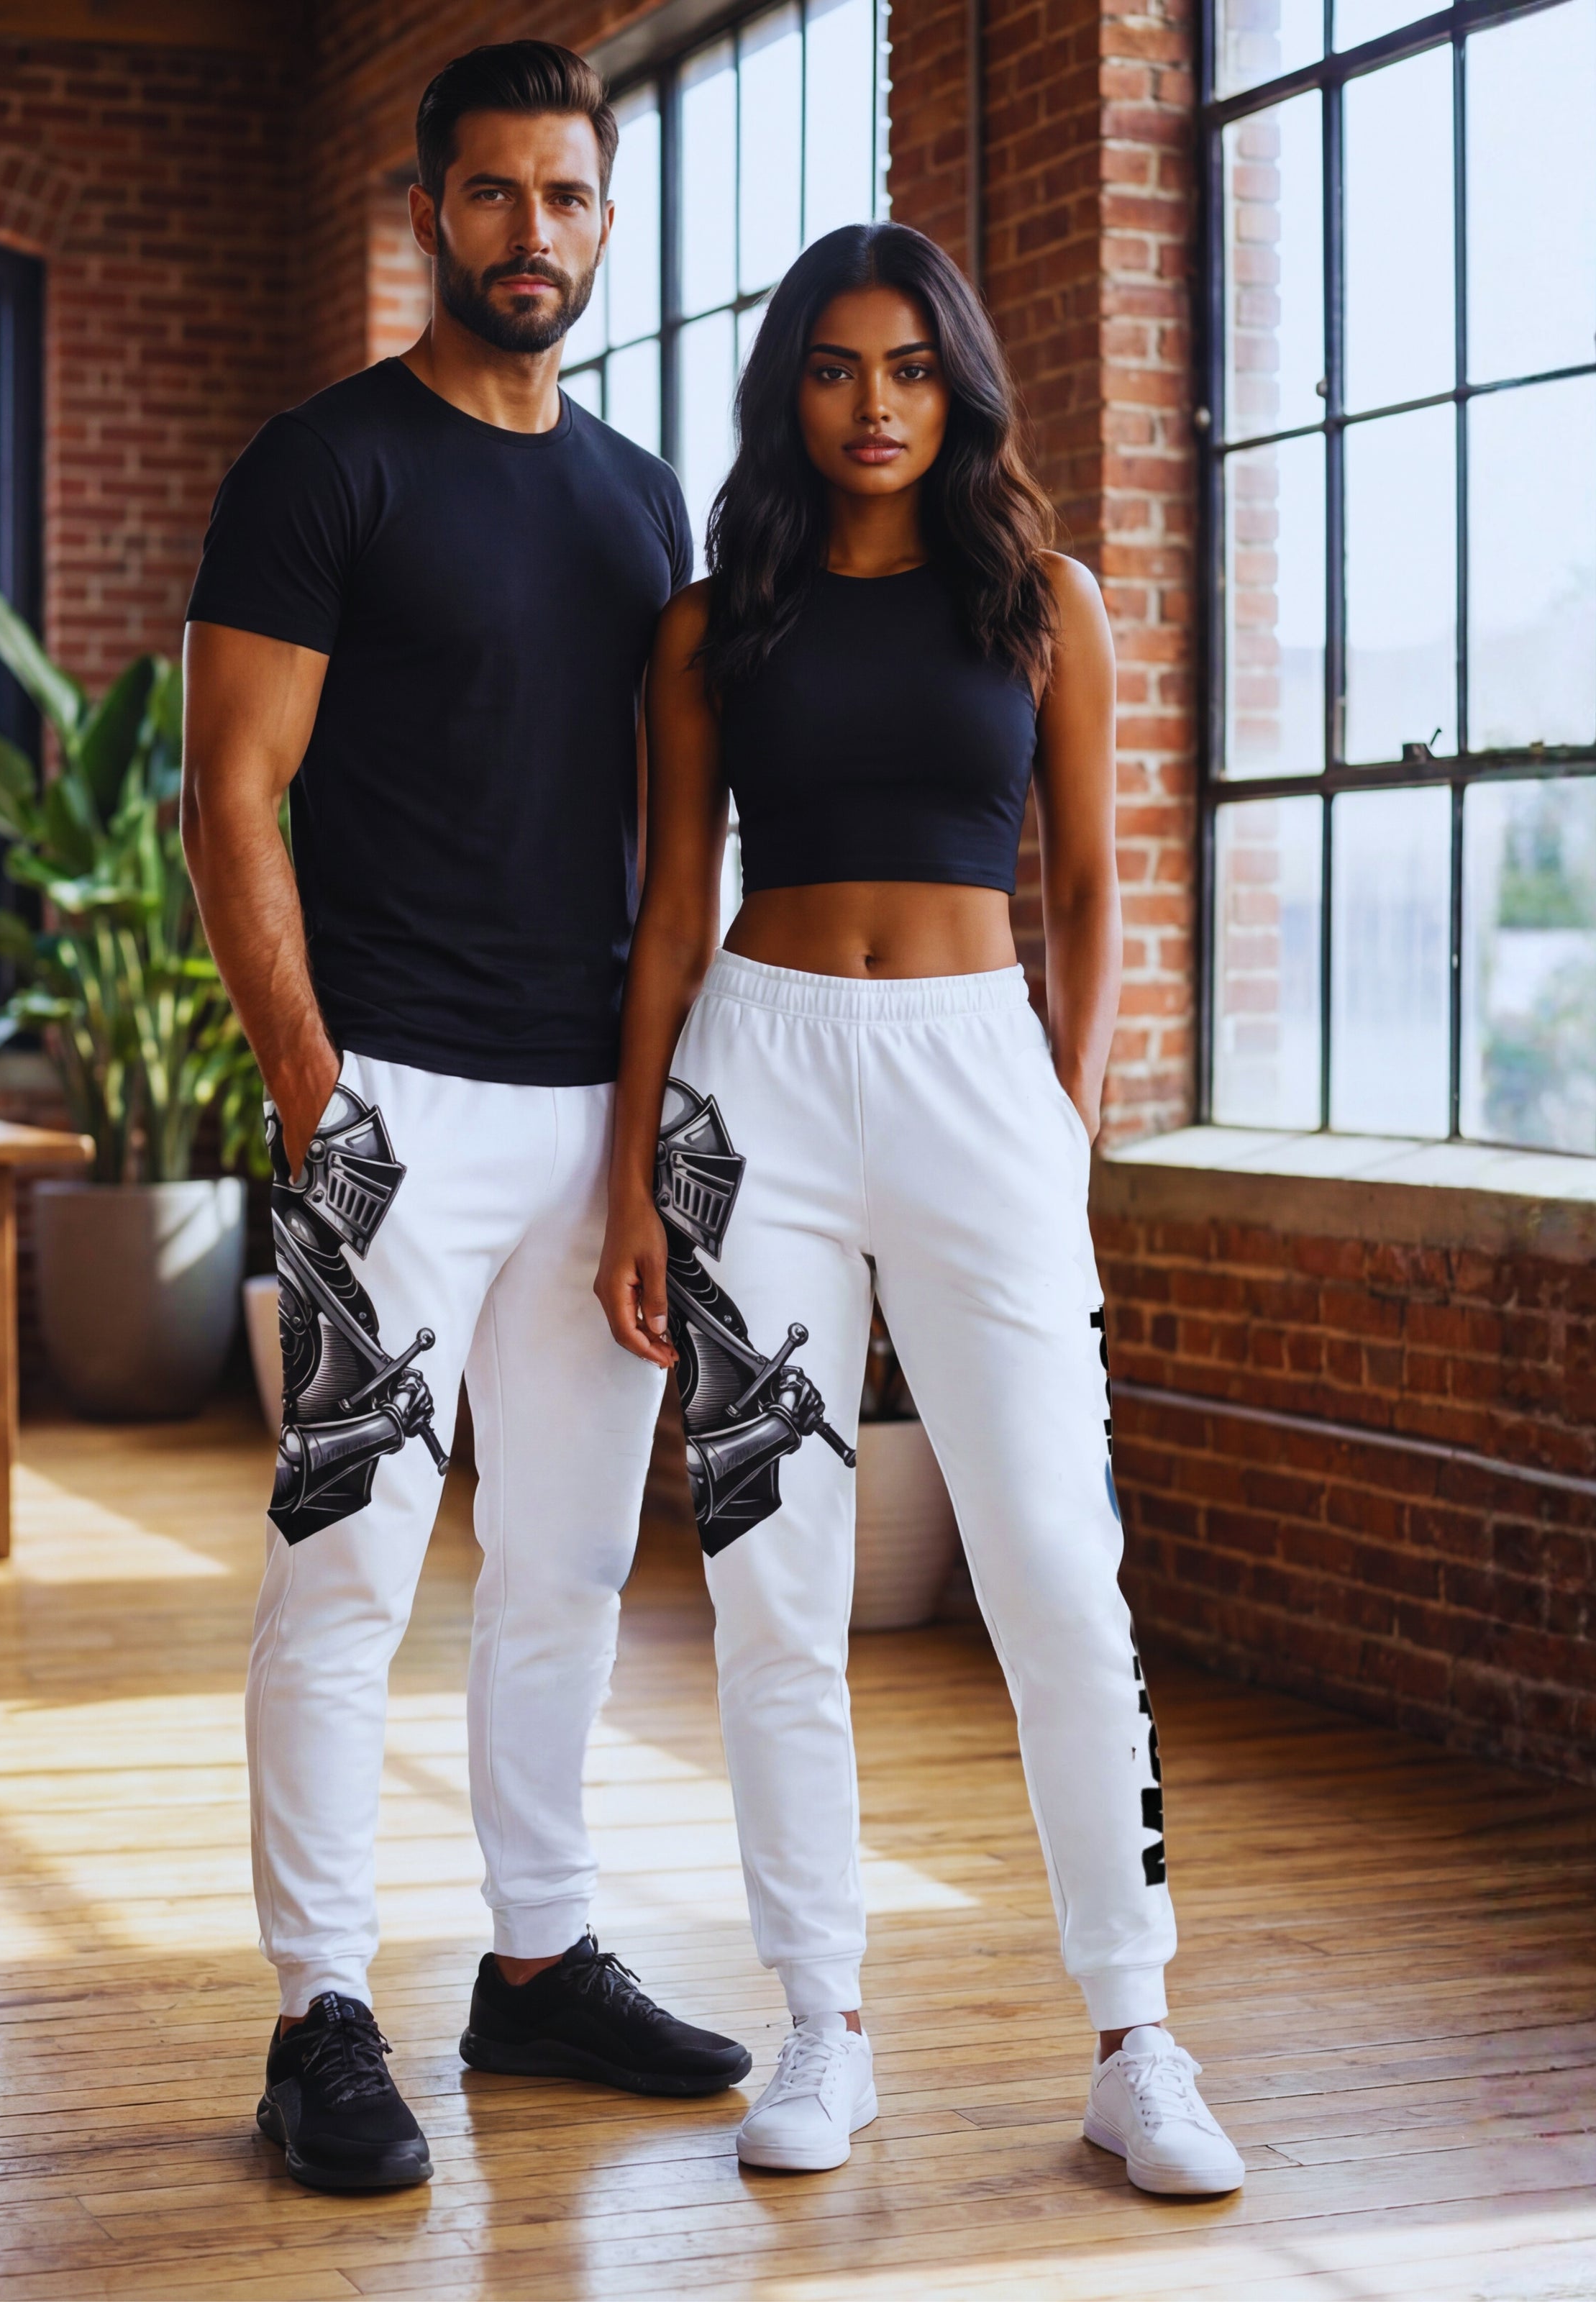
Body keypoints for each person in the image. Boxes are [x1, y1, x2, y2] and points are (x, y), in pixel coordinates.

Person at [593, 220, 1246, 2196]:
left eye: (907, 368)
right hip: (756, 1084)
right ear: (787, 392)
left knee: (1057, 1566)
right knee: (772, 1583)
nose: (873, 405)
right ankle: (824, 2022)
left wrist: (1064, 1105)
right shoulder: (715, 625)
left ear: (957, 383)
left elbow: (1099, 885)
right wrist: (639, 1174)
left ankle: (1137, 2035)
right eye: (833, 368)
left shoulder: (1045, 600)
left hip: (979, 1083)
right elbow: (665, 923)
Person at [180, 40, 751, 2196]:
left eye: (570, 198)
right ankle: (322, 2010)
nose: (534, 233)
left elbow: (658, 836)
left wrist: (649, 1139)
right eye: (495, 195)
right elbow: (231, 788)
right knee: (347, 1573)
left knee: (574, 1568)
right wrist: (316, 1097)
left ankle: (537, 1969)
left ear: (606, 220)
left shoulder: (637, 500)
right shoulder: (324, 469)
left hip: (591, 1105)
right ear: (434, 210)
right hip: (393, 1108)